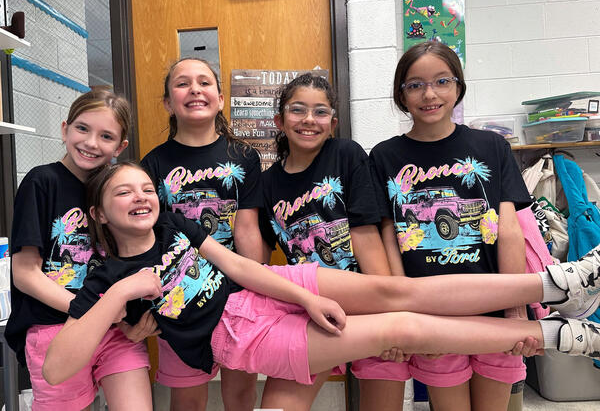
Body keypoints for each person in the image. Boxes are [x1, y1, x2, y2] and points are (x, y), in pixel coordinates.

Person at [43, 162, 600, 405]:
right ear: (96, 214)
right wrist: (119, 293)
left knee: (396, 293)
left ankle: (556, 282)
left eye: (147, 188)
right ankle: (562, 338)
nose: (142, 197)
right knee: (396, 328)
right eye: (125, 193)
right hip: (242, 339)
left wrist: (306, 293)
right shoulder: (101, 279)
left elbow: (240, 267)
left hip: (269, 288)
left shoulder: (172, 224)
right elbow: (56, 368)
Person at [368, 41, 536, 410]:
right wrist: (401, 311)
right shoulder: (383, 156)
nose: (429, 94)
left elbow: (509, 229)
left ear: (458, 86)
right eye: (415, 84)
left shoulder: (491, 146)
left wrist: (515, 308)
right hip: (430, 313)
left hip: (494, 305)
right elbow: (387, 236)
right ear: (402, 94)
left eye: (441, 81)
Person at [261, 73, 408, 411]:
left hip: (367, 305)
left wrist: (393, 315)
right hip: (312, 312)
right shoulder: (267, 183)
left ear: (333, 122)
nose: (309, 120)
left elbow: (366, 237)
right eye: (298, 110)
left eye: (320, 112)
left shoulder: (346, 154)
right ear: (279, 121)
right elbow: (261, 260)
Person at [4, 90, 153, 410]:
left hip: (115, 334)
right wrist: (91, 311)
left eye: (106, 136)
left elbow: (139, 255)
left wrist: (142, 318)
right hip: (55, 331)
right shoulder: (41, 182)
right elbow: (25, 273)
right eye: (82, 128)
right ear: (64, 129)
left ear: (120, 147)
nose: (91, 142)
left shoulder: (120, 189)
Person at [140, 58, 263, 411]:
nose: (195, 89)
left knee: (240, 394)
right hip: (182, 298)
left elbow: (248, 228)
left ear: (220, 98)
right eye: (182, 83)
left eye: (204, 82)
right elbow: (147, 242)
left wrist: (256, 287)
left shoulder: (243, 157)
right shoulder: (153, 165)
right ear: (167, 103)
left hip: (236, 294)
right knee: (188, 397)